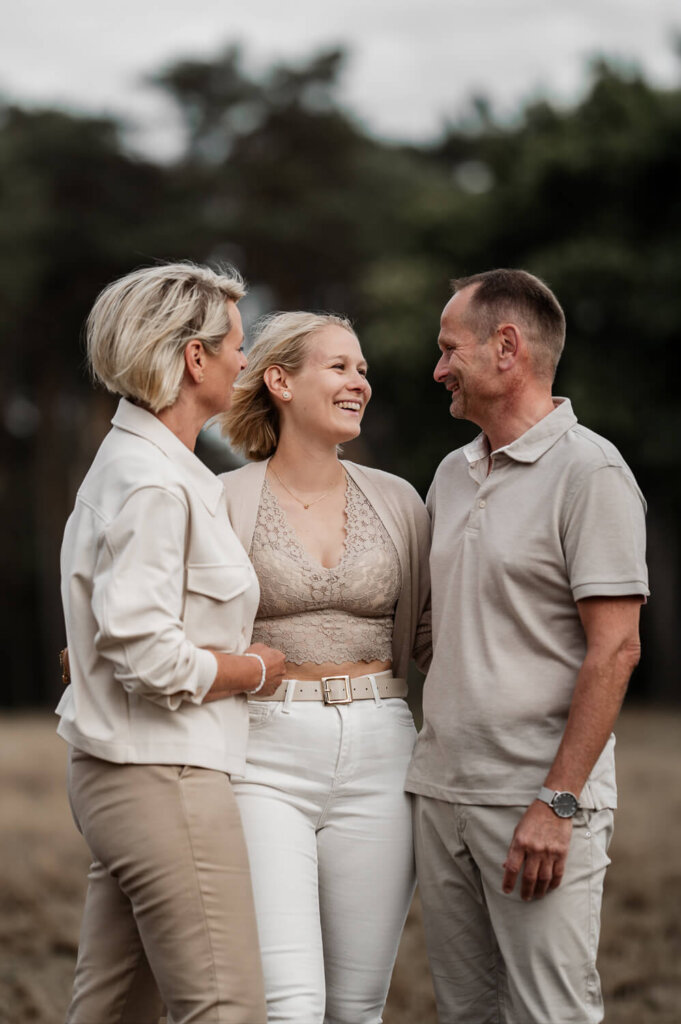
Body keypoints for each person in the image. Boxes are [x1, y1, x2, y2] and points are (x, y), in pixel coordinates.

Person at [405, 268, 649, 1024]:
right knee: (465, 1013)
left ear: (505, 347)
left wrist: (557, 801)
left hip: (536, 803)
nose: (438, 368)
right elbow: (439, 627)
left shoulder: (591, 472)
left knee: (550, 1014)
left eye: (450, 349)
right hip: (442, 794)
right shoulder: (450, 474)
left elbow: (616, 649)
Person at [56, 262, 286, 1024]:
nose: (244, 360)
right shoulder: (152, 482)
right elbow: (144, 652)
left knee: (114, 1009)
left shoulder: (148, 467)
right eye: (236, 345)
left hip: (130, 773)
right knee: (225, 1007)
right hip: (163, 778)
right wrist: (252, 670)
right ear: (194, 358)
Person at [218, 311, 431, 1023]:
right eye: (338, 366)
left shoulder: (399, 500)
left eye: (362, 369)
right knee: (289, 1004)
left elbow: (431, 633)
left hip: (383, 750)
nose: (358, 382)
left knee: (357, 1006)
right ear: (280, 382)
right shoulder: (223, 500)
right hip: (263, 756)